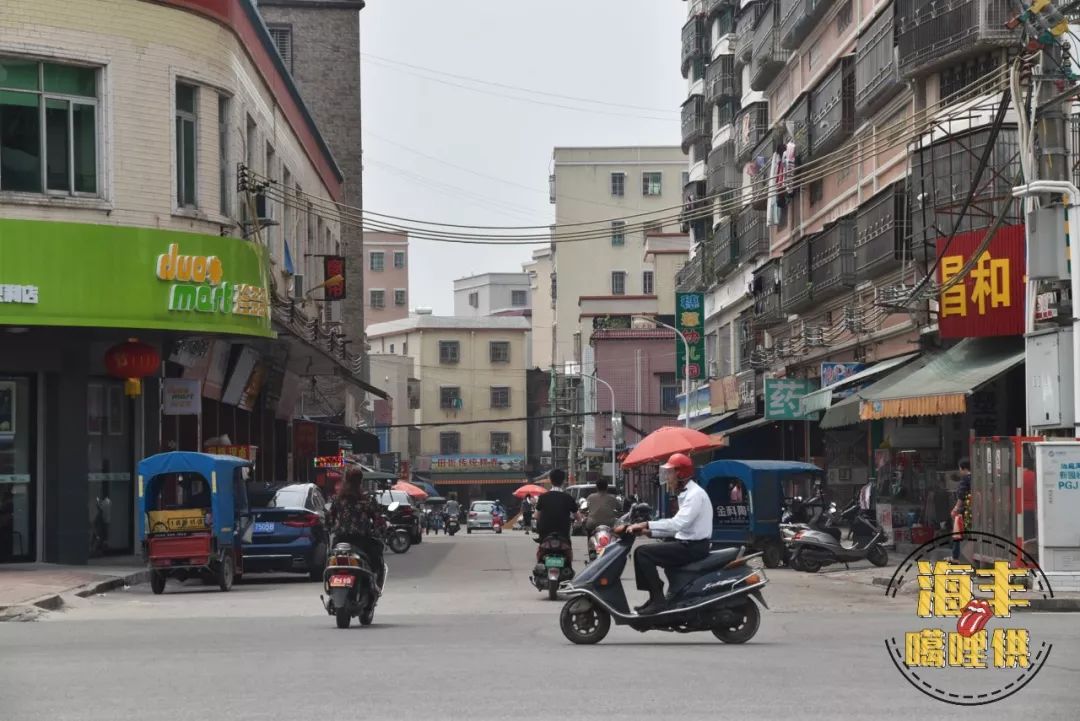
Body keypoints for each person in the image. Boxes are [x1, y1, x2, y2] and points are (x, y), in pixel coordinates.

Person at [621, 453, 712, 616]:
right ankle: (654, 597)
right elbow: (679, 526)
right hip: (687, 541)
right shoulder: (686, 493)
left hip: (693, 547)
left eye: (670, 473)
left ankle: (658, 600)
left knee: (643, 553)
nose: (667, 477)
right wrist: (649, 532)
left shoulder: (695, 495)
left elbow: (677, 524)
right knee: (643, 551)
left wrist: (646, 524)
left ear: (680, 474)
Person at [328, 468, 386, 590]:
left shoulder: (337, 500)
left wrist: (331, 528)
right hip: (361, 541)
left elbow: (329, 519)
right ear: (360, 481)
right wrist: (379, 530)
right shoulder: (366, 500)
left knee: (330, 560)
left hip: (340, 541)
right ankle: (375, 586)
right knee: (376, 559)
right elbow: (378, 519)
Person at [534, 469, 577, 563]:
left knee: (541, 549)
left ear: (550, 480)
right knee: (568, 550)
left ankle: (540, 565)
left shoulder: (543, 497)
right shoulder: (568, 498)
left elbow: (536, 516)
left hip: (545, 534)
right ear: (563, 481)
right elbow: (577, 516)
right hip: (563, 534)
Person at [950, 458, 972, 563]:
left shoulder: (965, 480)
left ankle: (956, 556)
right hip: (975, 511)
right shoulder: (977, 478)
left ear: (963, 469)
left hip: (965, 511)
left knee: (958, 532)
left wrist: (955, 509)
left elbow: (961, 496)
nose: (960, 471)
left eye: (960, 469)